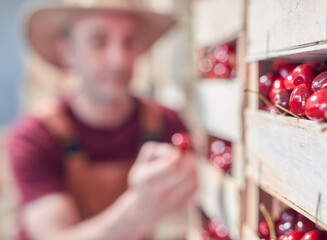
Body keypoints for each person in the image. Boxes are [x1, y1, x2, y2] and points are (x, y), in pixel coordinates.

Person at [7, 0, 198, 239]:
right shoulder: (34, 135)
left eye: (129, 41)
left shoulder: (166, 123)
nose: (119, 60)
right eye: (99, 42)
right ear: (68, 51)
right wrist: (138, 208)